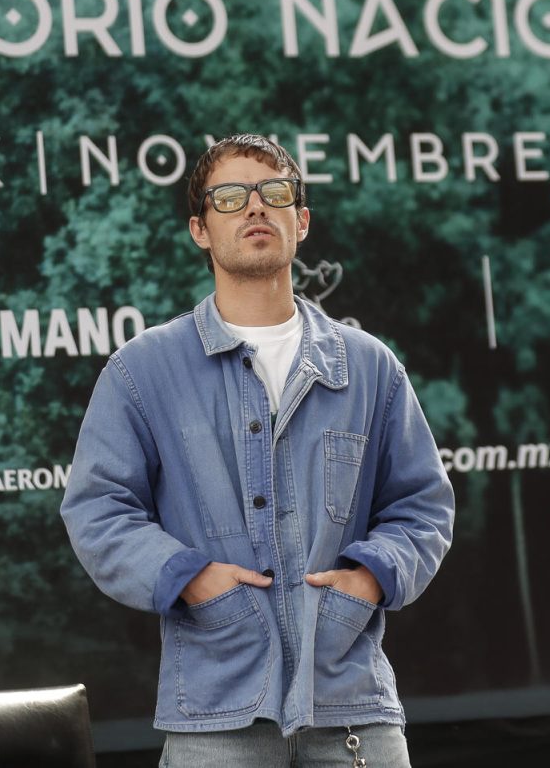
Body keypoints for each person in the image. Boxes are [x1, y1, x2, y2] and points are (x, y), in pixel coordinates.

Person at [61, 134, 454, 766]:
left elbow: (423, 506)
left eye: (274, 192)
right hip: (217, 712)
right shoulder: (144, 370)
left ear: (300, 220)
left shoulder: (368, 366)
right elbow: (98, 512)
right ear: (199, 229)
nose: (254, 208)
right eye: (230, 196)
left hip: (350, 703)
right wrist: (190, 579)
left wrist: (369, 580)